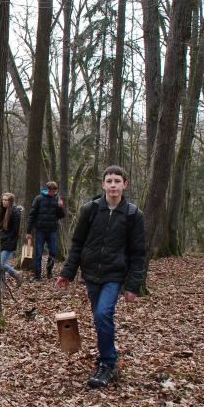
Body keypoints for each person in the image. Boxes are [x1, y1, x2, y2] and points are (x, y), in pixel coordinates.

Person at [56, 165, 146, 388]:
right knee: (100, 318)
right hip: (90, 274)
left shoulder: (133, 215)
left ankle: (107, 364)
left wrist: (132, 286)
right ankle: (106, 356)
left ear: (125, 184)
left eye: (117, 181)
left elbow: (138, 253)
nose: (113, 185)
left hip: (114, 275)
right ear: (103, 184)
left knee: (103, 314)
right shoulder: (91, 209)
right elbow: (77, 244)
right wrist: (68, 272)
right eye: (109, 181)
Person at [25, 181, 65, 281]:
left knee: (53, 253)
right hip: (40, 231)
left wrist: (60, 207)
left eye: (55, 191)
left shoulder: (57, 199)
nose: (53, 193)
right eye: (52, 191)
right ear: (47, 190)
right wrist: (28, 231)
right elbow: (32, 215)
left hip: (52, 230)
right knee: (38, 254)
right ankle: (37, 276)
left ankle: (49, 271)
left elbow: (61, 216)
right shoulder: (38, 199)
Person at [0, 192, 23, 286]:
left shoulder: (15, 213)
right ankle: (2, 286)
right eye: (3, 200)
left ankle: (16, 273)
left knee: (1, 264)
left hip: (10, 242)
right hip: (1, 241)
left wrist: (3, 237)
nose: (4, 201)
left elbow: (14, 231)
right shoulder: (2, 210)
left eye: (6, 200)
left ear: (11, 202)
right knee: (0, 266)